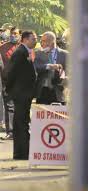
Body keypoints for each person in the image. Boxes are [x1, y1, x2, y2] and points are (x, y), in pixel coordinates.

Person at [5, 31, 37, 159]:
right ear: (25, 39)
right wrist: (10, 90)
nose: (35, 41)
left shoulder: (25, 52)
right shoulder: (20, 53)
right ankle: (21, 153)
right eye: (33, 39)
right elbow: (11, 72)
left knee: (22, 122)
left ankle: (22, 152)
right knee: (21, 123)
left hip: (24, 93)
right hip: (21, 93)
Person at [34, 31, 68, 105]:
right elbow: (35, 67)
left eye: (43, 41)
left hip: (59, 91)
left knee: (58, 115)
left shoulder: (65, 54)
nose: (41, 43)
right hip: (43, 91)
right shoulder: (38, 53)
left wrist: (65, 77)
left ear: (51, 42)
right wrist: (48, 66)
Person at [0, 26, 21, 140]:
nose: (13, 35)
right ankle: (11, 132)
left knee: (21, 107)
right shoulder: (2, 47)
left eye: (16, 33)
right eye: (12, 33)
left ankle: (21, 131)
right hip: (7, 82)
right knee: (9, 107)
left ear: (20, 35)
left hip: (22, 82)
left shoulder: (24, 47)